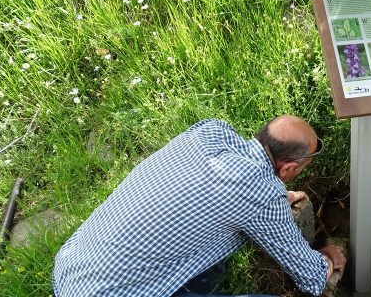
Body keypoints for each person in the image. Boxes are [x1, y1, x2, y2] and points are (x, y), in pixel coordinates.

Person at [53, 115, 346, 296]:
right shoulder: (261, 195)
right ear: (288, 170)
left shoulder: (210, 132)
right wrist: (330, 257)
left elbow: (213, 193)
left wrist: (273, 205)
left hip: (72, 270)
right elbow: (312, 279)